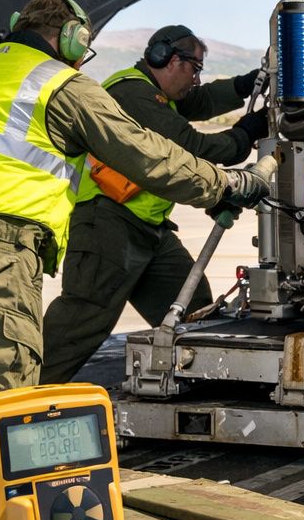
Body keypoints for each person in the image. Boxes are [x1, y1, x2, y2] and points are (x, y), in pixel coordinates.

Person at [0, 0, 272, 493]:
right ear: (71, 39)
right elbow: (150, 156)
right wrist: (228, 184)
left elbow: (196, 102)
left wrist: (243, 86)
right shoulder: (59, 84)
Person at [40, 25, 268, 384]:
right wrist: (245, 134)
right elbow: (190, 147)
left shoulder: (160, 93)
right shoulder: (131, 93)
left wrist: (245, 84)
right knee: (81, 323)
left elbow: (202, 100)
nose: (196, 79)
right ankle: (21, 395)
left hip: (149, 231)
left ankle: (198, 384)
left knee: (193, 310)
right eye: (195, 69)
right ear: (170, 60)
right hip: (109, 223)